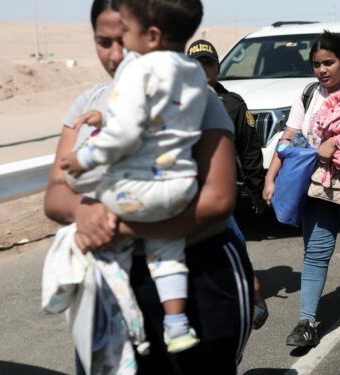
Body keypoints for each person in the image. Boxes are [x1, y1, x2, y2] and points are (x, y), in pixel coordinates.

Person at [44, 0, 253, 373]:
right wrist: (81, 211)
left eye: (123, 37)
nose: (116, 53)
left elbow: (218, 199)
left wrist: (117, 226)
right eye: (104, 41)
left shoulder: (195, 97)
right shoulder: (88, 103)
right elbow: (57, 190)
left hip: (196, 276)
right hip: (112, 284)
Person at [59, 0, 207, 353]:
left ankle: (124, 316)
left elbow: (125, 136)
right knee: (168, 252)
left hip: (137, 192)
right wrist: (106, 118)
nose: (122, 46)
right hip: (179, 190)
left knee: (85, 190)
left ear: (152, 35)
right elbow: (160, 122)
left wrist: (84, 157)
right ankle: (176, 324)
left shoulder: (140, 72)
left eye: (125, 31)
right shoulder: (193, 71)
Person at [262, 31, 340, 348]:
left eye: (329, 63)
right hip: (316, 187)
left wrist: (336, 142)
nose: (322, 70)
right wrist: (272, 178)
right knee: (315, 254)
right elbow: (288, 138)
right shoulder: (309, 94)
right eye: (316, 64)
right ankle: (307, 322)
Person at [186, 38, 269, 330]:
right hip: (182, 195)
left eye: (208, 64)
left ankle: (249, 292)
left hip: (218, 194)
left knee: (230, 243)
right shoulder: (174, 104)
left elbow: (249, 149)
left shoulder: (232, 104)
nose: (203, 70)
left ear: (217, 68)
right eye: (196, 65)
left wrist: (256, 190)